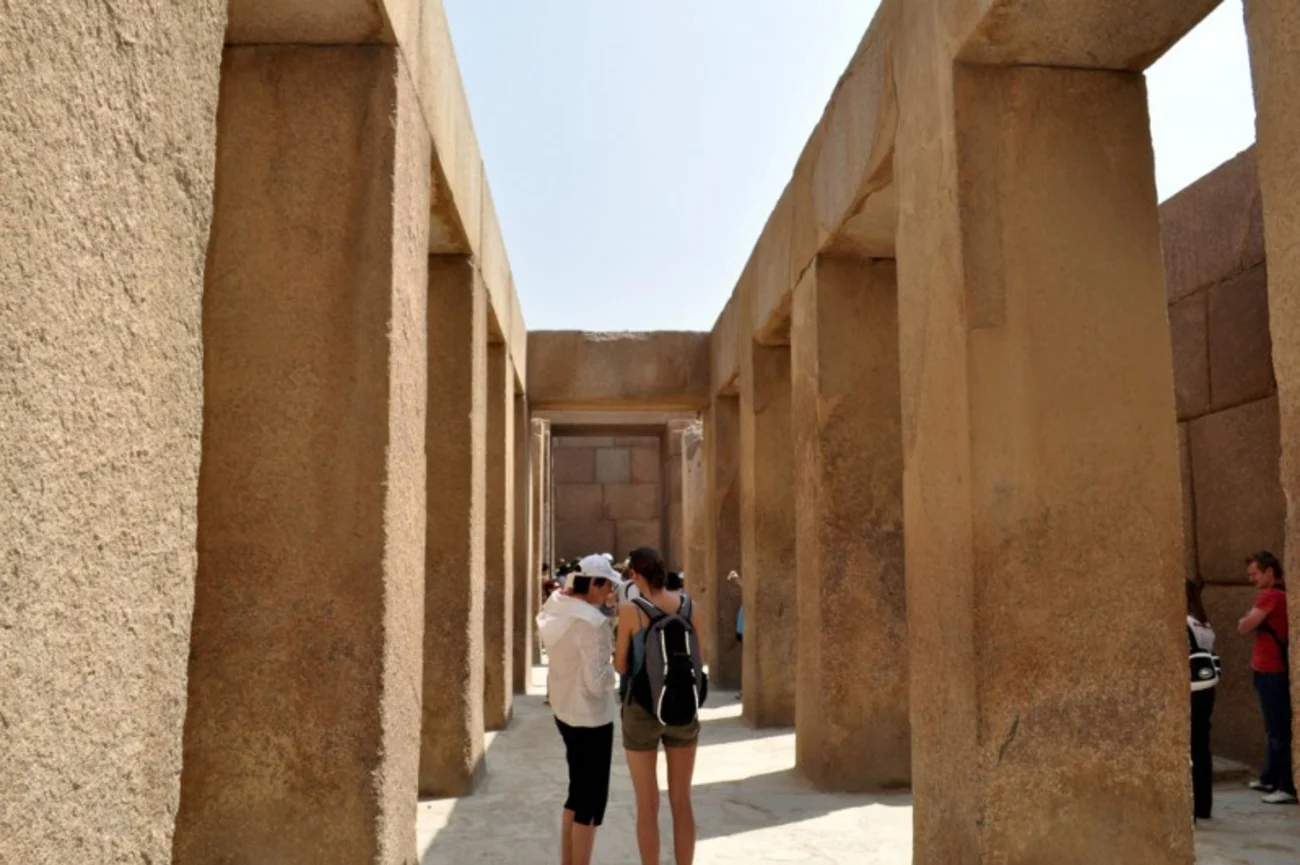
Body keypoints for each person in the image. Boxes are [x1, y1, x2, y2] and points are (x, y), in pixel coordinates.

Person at [616, 547, 703, 865]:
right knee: (682, 800)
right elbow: (698, 657)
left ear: (636, 575)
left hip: (641, 710)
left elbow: (621, 665)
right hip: (682, 708)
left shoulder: (630, 610)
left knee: (647, 804)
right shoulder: (690, 605)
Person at [536, 554, 624, 864]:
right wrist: (614, 669)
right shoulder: (593, 621)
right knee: (591, 802)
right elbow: (598, 682)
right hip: (592, 718)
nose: (609, 593)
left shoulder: (556, 606)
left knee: (577, 792)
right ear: (594, 583)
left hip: (564, 711)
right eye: (607, 585)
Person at [1237, 550, 1296, 805]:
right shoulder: (1275, 595)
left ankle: (1286, 785)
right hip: (1267, 670)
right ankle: (1270, 777)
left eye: (1255, 574)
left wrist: (1248, 618)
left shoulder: (1271, 595)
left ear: (1269, 572)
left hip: (1272, 672)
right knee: (1273, 728)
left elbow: (1244, 625)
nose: (1252, 579)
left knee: (1279, 729)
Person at [1187, 579, 1217, 820]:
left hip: (1190, 687)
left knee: (1189, 747)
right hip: (1207, 688)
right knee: (1201, 746)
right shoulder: (1203, 622)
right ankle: (1204, 804)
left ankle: (1193, 805)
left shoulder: (1184, 623)